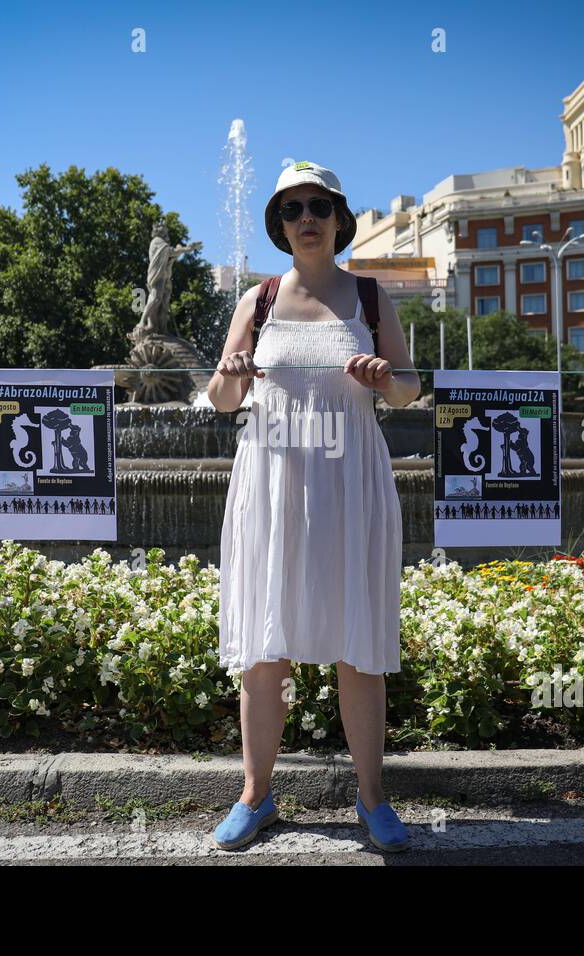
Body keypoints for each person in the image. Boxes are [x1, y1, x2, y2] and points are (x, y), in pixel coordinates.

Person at [206, 162, 421, 852]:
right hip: (271, 480)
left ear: (337, 218)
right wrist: (232, 375)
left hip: (349, 482)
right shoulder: (257, 300)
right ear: (279, 223)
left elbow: (410, 390)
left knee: (358, 650)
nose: (306, 217)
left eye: (318, 206)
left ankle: (373, 800)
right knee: (264, 652)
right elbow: (219, 400)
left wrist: (387, 377)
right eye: (293, 207)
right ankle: (255, 796)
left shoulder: (370, 294)